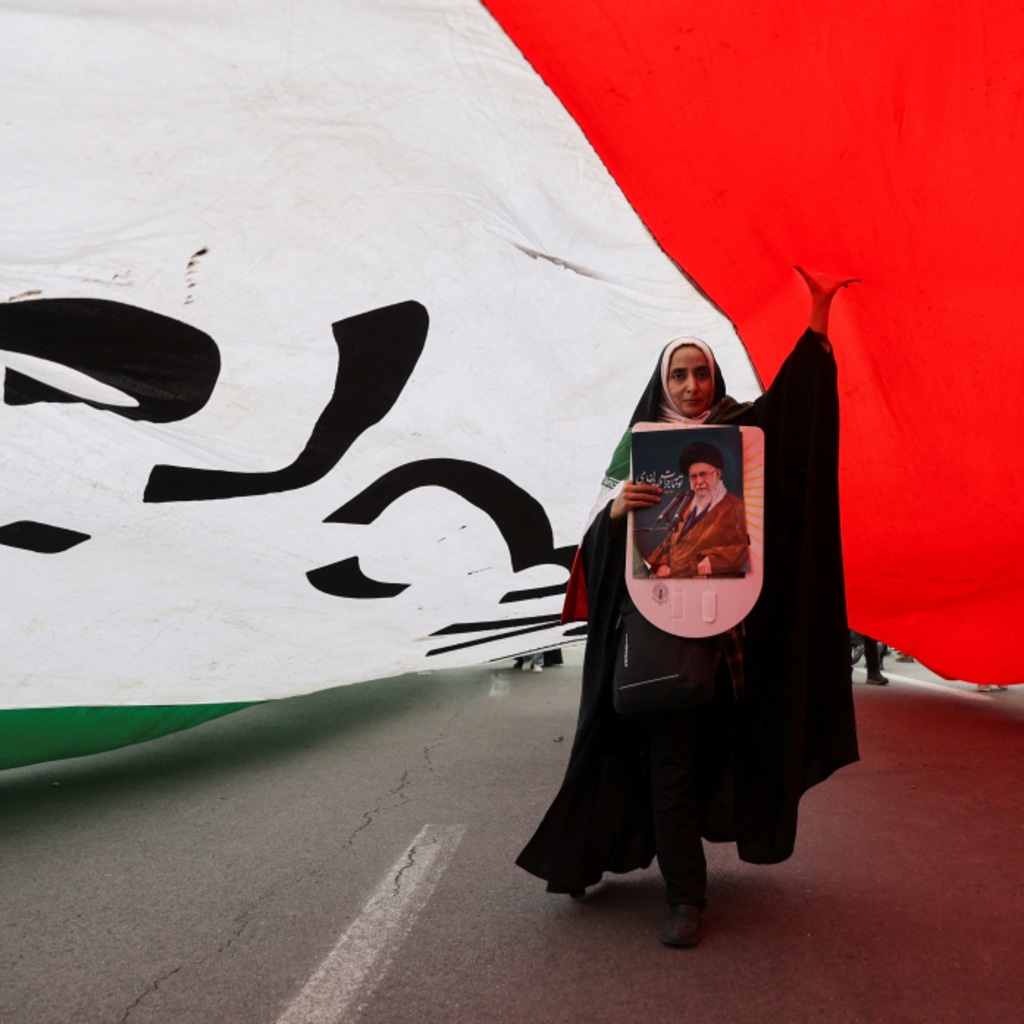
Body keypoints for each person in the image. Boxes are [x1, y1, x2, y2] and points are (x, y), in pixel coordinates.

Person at [516, 268, 860, 947]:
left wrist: (817, 324)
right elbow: (594, 545)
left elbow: (792, 414)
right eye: (679, 375)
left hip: (732, 643)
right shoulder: (636, 447)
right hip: (658, 639)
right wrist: (617, 514)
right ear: (662, 382)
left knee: (715, 755)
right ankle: (684, 897)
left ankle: (669, 863)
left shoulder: (741, 433)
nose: (692, 387)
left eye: (701, 373)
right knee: (667, 762)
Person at [646, 440, 749, 577]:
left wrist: (713, 559)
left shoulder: (738, 509)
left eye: (703, 474)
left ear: (718, 474)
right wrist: (664, 563)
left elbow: (747, 548)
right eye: (693, 476)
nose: (699, 482)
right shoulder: (686, 506)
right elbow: (672, 540)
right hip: (674, 581)